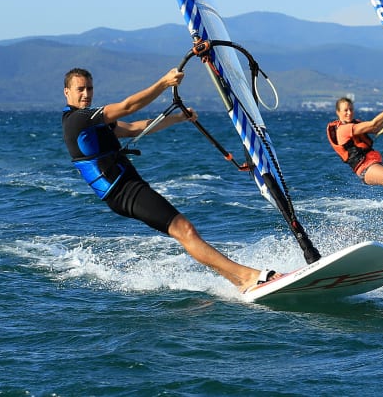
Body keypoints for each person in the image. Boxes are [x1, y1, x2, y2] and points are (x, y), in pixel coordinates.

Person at [62, 66, 276, 293]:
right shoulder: (78, 120)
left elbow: (134, 128)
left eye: (90, 88)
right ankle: (247, 278)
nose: (86, 94)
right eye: (80, 89)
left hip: (127, 186)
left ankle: (241, 281)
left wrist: (177, 118)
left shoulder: (91, 122)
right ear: (67, 92)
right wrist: (164, 82)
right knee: (185, 230)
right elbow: (127, 107)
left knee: (184, 230)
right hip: (122, 191)